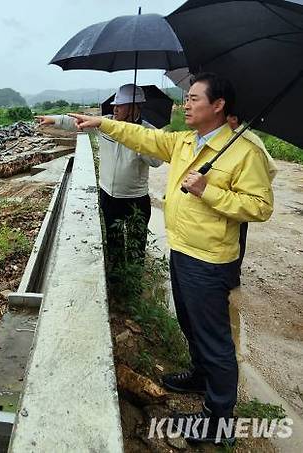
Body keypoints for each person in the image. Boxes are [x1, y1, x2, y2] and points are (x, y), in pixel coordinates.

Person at [68, 73, 274, 445]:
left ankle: (217, 419)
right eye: (186, 98)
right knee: (189, 321)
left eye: (194, 98)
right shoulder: (186, 142)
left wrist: (209, 191)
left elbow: (260, 208)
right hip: (181, 248)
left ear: (219, 105)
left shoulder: (246, 151)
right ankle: (199, 374)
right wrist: (101, 122)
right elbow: (145, 137)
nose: (186, 105)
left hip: (209, 259)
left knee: (214, 338)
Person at [36, 84, 163, 279]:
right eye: (115, 105)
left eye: (120, 105)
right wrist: (53, 119)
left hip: (135, 198)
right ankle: (116, 282)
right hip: (109, 196)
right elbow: (77, 122)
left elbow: (156, 161)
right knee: (114, 243)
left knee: (137, 244)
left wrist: (138, 140)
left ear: (134, 107)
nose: (115, 109)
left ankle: (135, 285)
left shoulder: (149, 132)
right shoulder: (106, 124)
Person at [226, 114, 278, 287]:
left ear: (233, 118)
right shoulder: (227, 137)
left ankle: (233, 276)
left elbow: (271, 169)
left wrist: (251, 187)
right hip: (224, 200)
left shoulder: (250, 140)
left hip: (240, 200)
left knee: (238, 237)